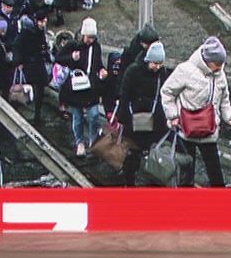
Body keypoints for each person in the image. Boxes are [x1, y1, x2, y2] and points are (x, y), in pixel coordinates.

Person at [160, 36, 231, 187]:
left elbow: (224, 100)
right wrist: (173, 116)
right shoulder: (185, 70)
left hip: (209, 131)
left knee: (215, 173)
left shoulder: (220, 75)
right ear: (207, 60)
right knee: (186, 173)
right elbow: (167, 92)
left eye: (221, 63)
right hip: (186, 130)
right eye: (217, 64)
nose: (220, 67)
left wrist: (230, 117)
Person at [117, 41, 168, 186]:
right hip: (134, 117)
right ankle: (129, 179)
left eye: (160, 63)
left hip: (154, 119)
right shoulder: (133, 71)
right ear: (148, 60)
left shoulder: (162, 74)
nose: (157, 67)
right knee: (132, 151)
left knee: (151, 149)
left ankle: (148, 177)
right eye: (155, 63)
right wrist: (123, 117)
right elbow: (125, 94)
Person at [59, 16, 109, 156]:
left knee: (94, 115)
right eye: (88, 37)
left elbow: (97, 63)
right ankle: (79, 143)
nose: (90, 40)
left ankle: (93, 141)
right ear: (83, 34)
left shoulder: (96, 47)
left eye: (93, 38)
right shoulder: (73, 45)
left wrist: (101, 70)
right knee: (78, 118)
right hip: (76, 87)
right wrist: (71, 58)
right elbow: (59, 58)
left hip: (91, 87)